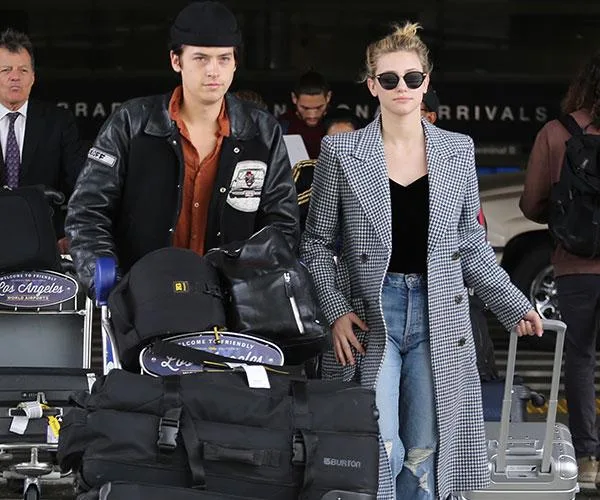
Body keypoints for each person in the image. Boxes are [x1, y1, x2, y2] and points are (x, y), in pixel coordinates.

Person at [300, 22, 543, 500]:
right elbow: (317, 245)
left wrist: (516, 306)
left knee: (427, 449)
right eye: (388, 79)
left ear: (427, 82)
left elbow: (471, 247)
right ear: (372, 85)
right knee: (377, 442)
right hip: (371, 314)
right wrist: (335, 313)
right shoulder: (342, 150)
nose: (402, 88)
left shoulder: (457, 150)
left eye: (412, 78)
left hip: (440, 313)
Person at [65, 0, 299, 295]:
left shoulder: (262, 133)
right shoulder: (131, 122)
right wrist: (113, 284)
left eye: (224, 59)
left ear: (235, 63)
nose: (214, 70)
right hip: (145, 298)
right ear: (177, 61)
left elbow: (282, 225)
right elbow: (87, 212)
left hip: (232, 304)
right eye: (201, 58)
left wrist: (249, 286)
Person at [520, 49, 600, 485]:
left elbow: (532, 204)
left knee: (581, 358)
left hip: (575, 268)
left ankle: (588, 461)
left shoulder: (557, 133)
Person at [0, 28, 85, 252]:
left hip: (46, 241)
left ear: (33, 77)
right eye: (6, 69)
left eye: (23, 70)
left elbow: (83, 183)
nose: (15, 76)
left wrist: (71, 233)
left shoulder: (58, 122)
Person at [293, 107, 361, 231]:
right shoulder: (305, 169)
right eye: (335, 140)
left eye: (349, 139)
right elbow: (287, 209)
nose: (341, 146)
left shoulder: (371, 172)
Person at [279, 70, 331, 159]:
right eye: (305, 108)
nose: (312, 115)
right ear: (294, 98)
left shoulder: (340, 126)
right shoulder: (281, 128)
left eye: (319, 108)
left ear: (328, 97)